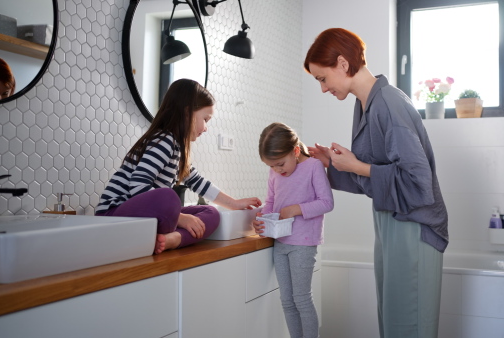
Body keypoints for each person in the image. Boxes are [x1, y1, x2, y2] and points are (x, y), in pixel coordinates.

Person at [304, 28, 449, 338]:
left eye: (322, 78)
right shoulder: (366, 104)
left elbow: (417, 182)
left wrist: (357, 164)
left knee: (408, 325)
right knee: (394, 320)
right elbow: (376, 178)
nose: (322, 88)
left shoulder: (388, 104)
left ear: (343, 64)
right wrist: (333, 163)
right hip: (391, 223)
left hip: (414, 225)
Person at [95, 79, 261, 254]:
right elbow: (138, 185)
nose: (206, 128)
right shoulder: (164, 140)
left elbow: (198, 183)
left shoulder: (178, 149)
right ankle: (172, 234)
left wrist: (234, 203)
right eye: (205, 119)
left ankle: (172, 239)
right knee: (169, 197)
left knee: (211, 213)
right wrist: (180, 218)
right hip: (112, 217)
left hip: (139, 219)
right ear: (188, 113)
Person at [252, 122, 334, 338]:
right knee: (287, 301)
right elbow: (271, 202)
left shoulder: (314, 166)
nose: (277, 170)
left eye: (280, 164)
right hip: (280, 243)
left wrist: (295, 209)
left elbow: (327, 202)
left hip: (303, 243)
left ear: (296, 151)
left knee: (302, 299)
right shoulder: (275, 173)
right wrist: (262, 218)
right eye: (272, 167)